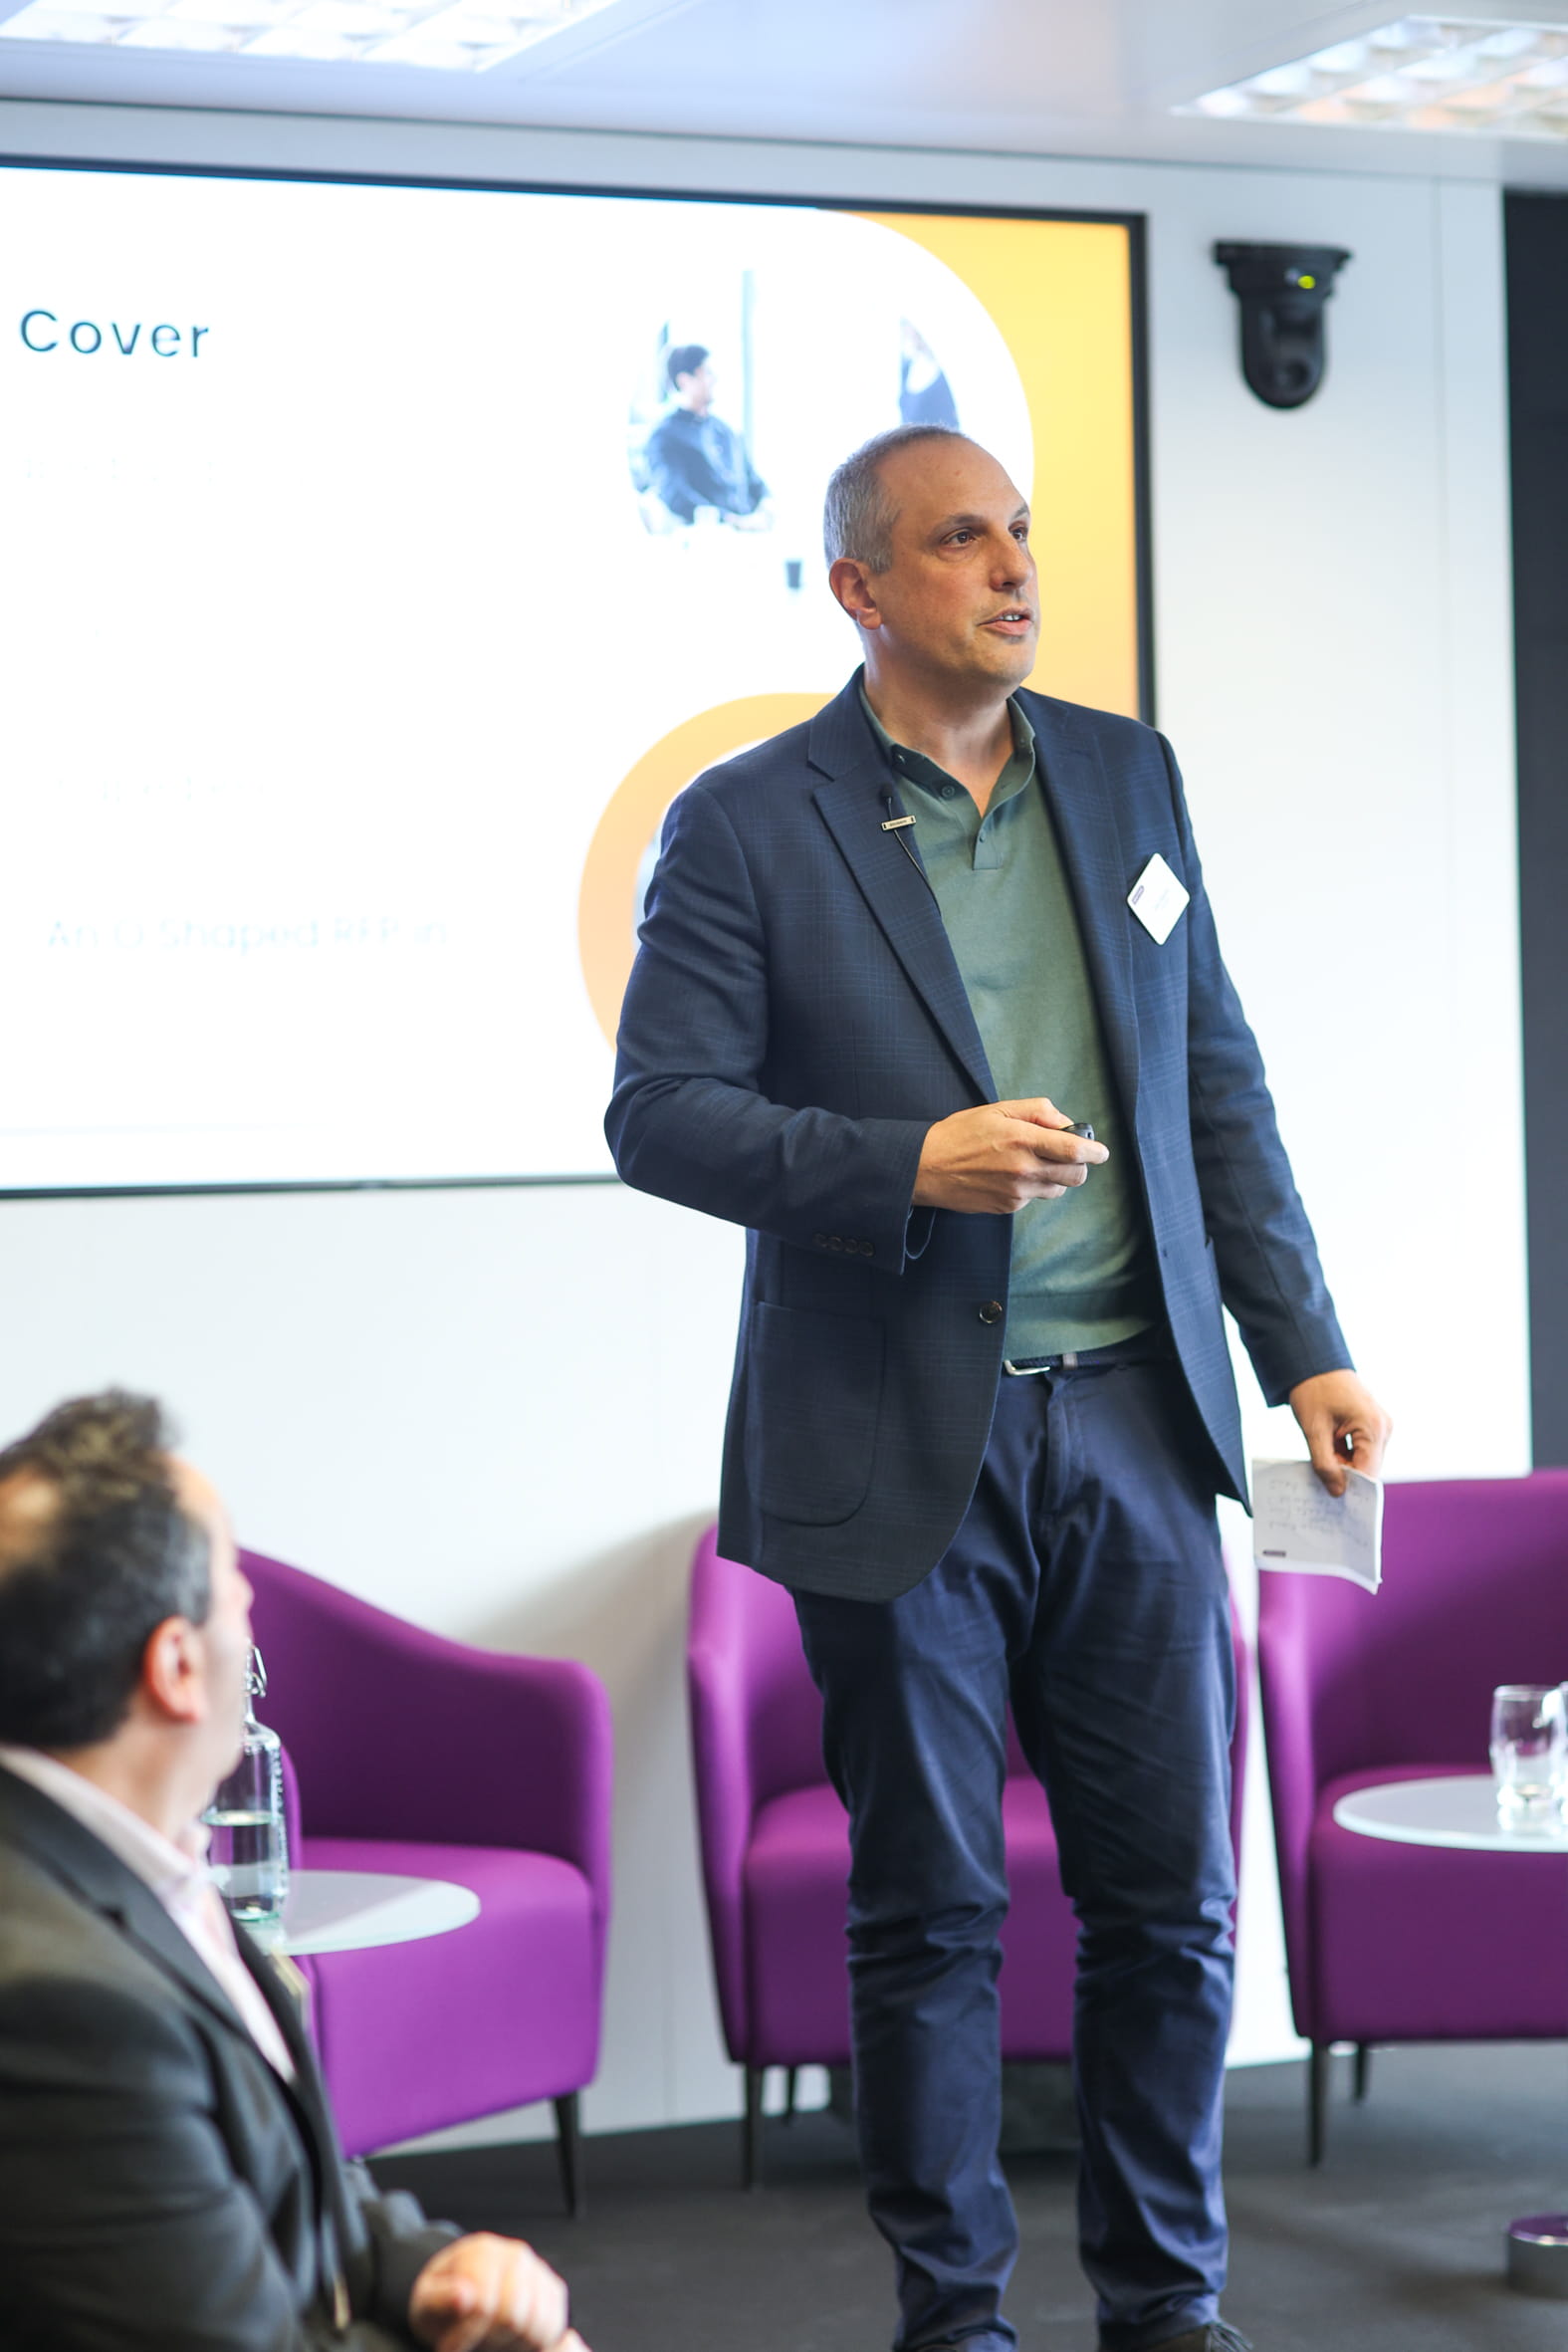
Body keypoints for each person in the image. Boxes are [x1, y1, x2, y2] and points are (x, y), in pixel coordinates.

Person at [606, 424, 1392, 2352]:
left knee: (1172, 1903)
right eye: (962, 540)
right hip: (896, 1443)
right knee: (934, 1909)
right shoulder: (746, 820)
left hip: (1135, 1420)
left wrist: (1303, 1340)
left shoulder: (1124, 776)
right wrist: (907, 1165)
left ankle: (1168, 2303)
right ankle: (953, 2317)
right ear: (861, 588)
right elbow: (660, 1113)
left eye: (1020, 533)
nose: (1015, 567)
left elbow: (1213, 1078)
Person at [0, 1389, 589, 2352]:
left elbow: (279, 2166)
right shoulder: (58, 2003)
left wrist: (427, 2269)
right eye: (237, 1588)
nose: (254, 1622)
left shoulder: (140, 1861)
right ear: (176, 1668)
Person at [643, 343, 771, 528]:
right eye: (708, 373)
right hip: (710, 533)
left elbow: (753, 481)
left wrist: (767, 506)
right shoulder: (665, 436)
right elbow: (675, 494)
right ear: (685, 381)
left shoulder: (726, 431)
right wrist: (731, 521)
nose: (715, 379)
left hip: (752, 529)